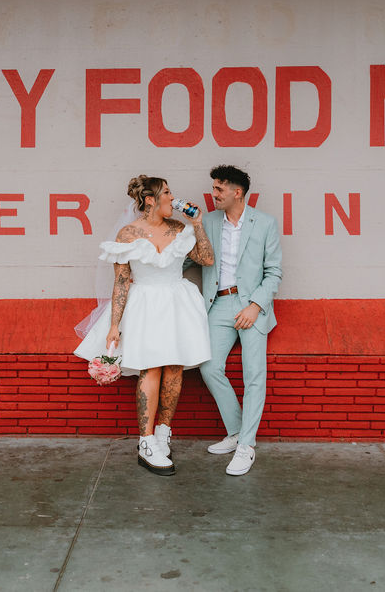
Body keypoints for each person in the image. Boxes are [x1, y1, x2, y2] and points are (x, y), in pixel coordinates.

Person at [74, 175, 214, 476]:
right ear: (150, 199)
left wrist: (199, 223)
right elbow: (122, 281)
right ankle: (146, 441)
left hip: (177, 303)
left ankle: (164, 432)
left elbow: (206, 258)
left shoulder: (181, 229)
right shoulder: (128, 234)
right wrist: (114, 325)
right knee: (150, 369)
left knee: (175, 368)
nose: (173, 197)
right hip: (145, 306)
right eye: (167, 192)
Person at [198, 165, 283, 476]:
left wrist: (255, 305)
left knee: (254, 374)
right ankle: (237, 431)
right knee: (208, 366)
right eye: (214, 188)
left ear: (237, 192)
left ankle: (247, 445)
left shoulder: (265, 223)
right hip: (218, 303)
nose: (213, 194)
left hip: (252, 304)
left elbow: (274, 272)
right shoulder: (207, 221)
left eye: (219, 189)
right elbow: (187, 257)